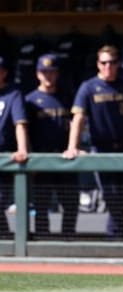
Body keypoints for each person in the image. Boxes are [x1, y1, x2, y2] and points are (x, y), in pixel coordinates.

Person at [63, 45, 123, 239]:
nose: (108, 67)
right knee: (109, 194)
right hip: (101, 148)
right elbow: (78, 117)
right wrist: (72, 146)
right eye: (103, 63)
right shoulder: (89, 87)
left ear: (118, 64)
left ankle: (114, 231)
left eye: (111, 63)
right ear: (98, 64)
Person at [25, 54, 78, 238]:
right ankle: (42, 240)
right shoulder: (30, 100)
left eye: (52, 72)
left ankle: (68, 240)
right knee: (42, 204)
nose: (48, 76)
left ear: (57, 73)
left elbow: (75, 123)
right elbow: (25, 131)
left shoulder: (66, 96)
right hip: (42, 159)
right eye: (44, 72)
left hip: (65, 158)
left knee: (70, 203)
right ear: (38, 74)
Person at [0, 56, 28, 238]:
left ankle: (5, 237)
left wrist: (22, 148)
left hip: (4, 157)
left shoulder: (13, 94)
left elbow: (20, 123)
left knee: (0, 200)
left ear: (4, 72)